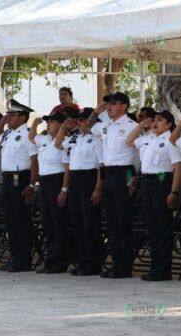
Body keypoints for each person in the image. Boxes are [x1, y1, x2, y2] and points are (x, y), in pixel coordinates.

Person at [127, 110, 181, 282]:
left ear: (169, 124)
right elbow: (129, 141)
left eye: (160, 120)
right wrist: (140, 126)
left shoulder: (170, 140)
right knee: (152, 227)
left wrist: (173, 192)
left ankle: (163, 269)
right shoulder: (148, 137)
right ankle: (155, 267)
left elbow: (178, 167)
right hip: (147, 182)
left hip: (162, 181)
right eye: (155, 120)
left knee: (162, 227)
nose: (155, 123)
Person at [92, 92, 139, 279]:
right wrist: (98, 109)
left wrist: (131, 181)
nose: (109, 106)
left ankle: (124, 265)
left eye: (113, 103)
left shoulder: (132, 126)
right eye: (108, 103)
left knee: (123, 221)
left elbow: (136, 159)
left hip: (124, 174)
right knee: (111, 222)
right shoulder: (105, 125)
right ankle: (115, 262)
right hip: (109, 174)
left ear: (124, 106)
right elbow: (88, 125)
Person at [56, 109, 104, 276]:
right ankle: (81, 260)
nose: (79, 123)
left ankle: (93, 262)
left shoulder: (97, 139)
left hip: (89, 179)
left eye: (83, 120)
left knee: (89, 222)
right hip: (75, 180)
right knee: (77, 222)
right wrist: (63, 127)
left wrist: (98, 188)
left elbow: (101, 165)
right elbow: (58, 143)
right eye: (79, 120)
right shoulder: (76, 137)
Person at [0, 99, 38, 273]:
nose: (9, 118)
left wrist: (31, 184)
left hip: (19, 178)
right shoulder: (9, 134)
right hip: (7, 179)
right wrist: (1, 123)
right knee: (10, 221)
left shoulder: (28, 134)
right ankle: (14, 256)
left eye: (12, 115)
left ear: (22, 117)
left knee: (21, 221)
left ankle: (23, 260)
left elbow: (34, 161)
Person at [30, 112, 71, 273]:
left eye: (52, 122)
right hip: (45, 182)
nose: (48, 125)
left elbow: (67, 169)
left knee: (58, 222)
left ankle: (60, 261)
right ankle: (50, 260)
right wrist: (35, 124)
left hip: (57, 181)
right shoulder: (45, 139)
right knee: (47, 223)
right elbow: (31, 137)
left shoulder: (65, 142)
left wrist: (64, 189)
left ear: (61, 125)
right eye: (48, 122)